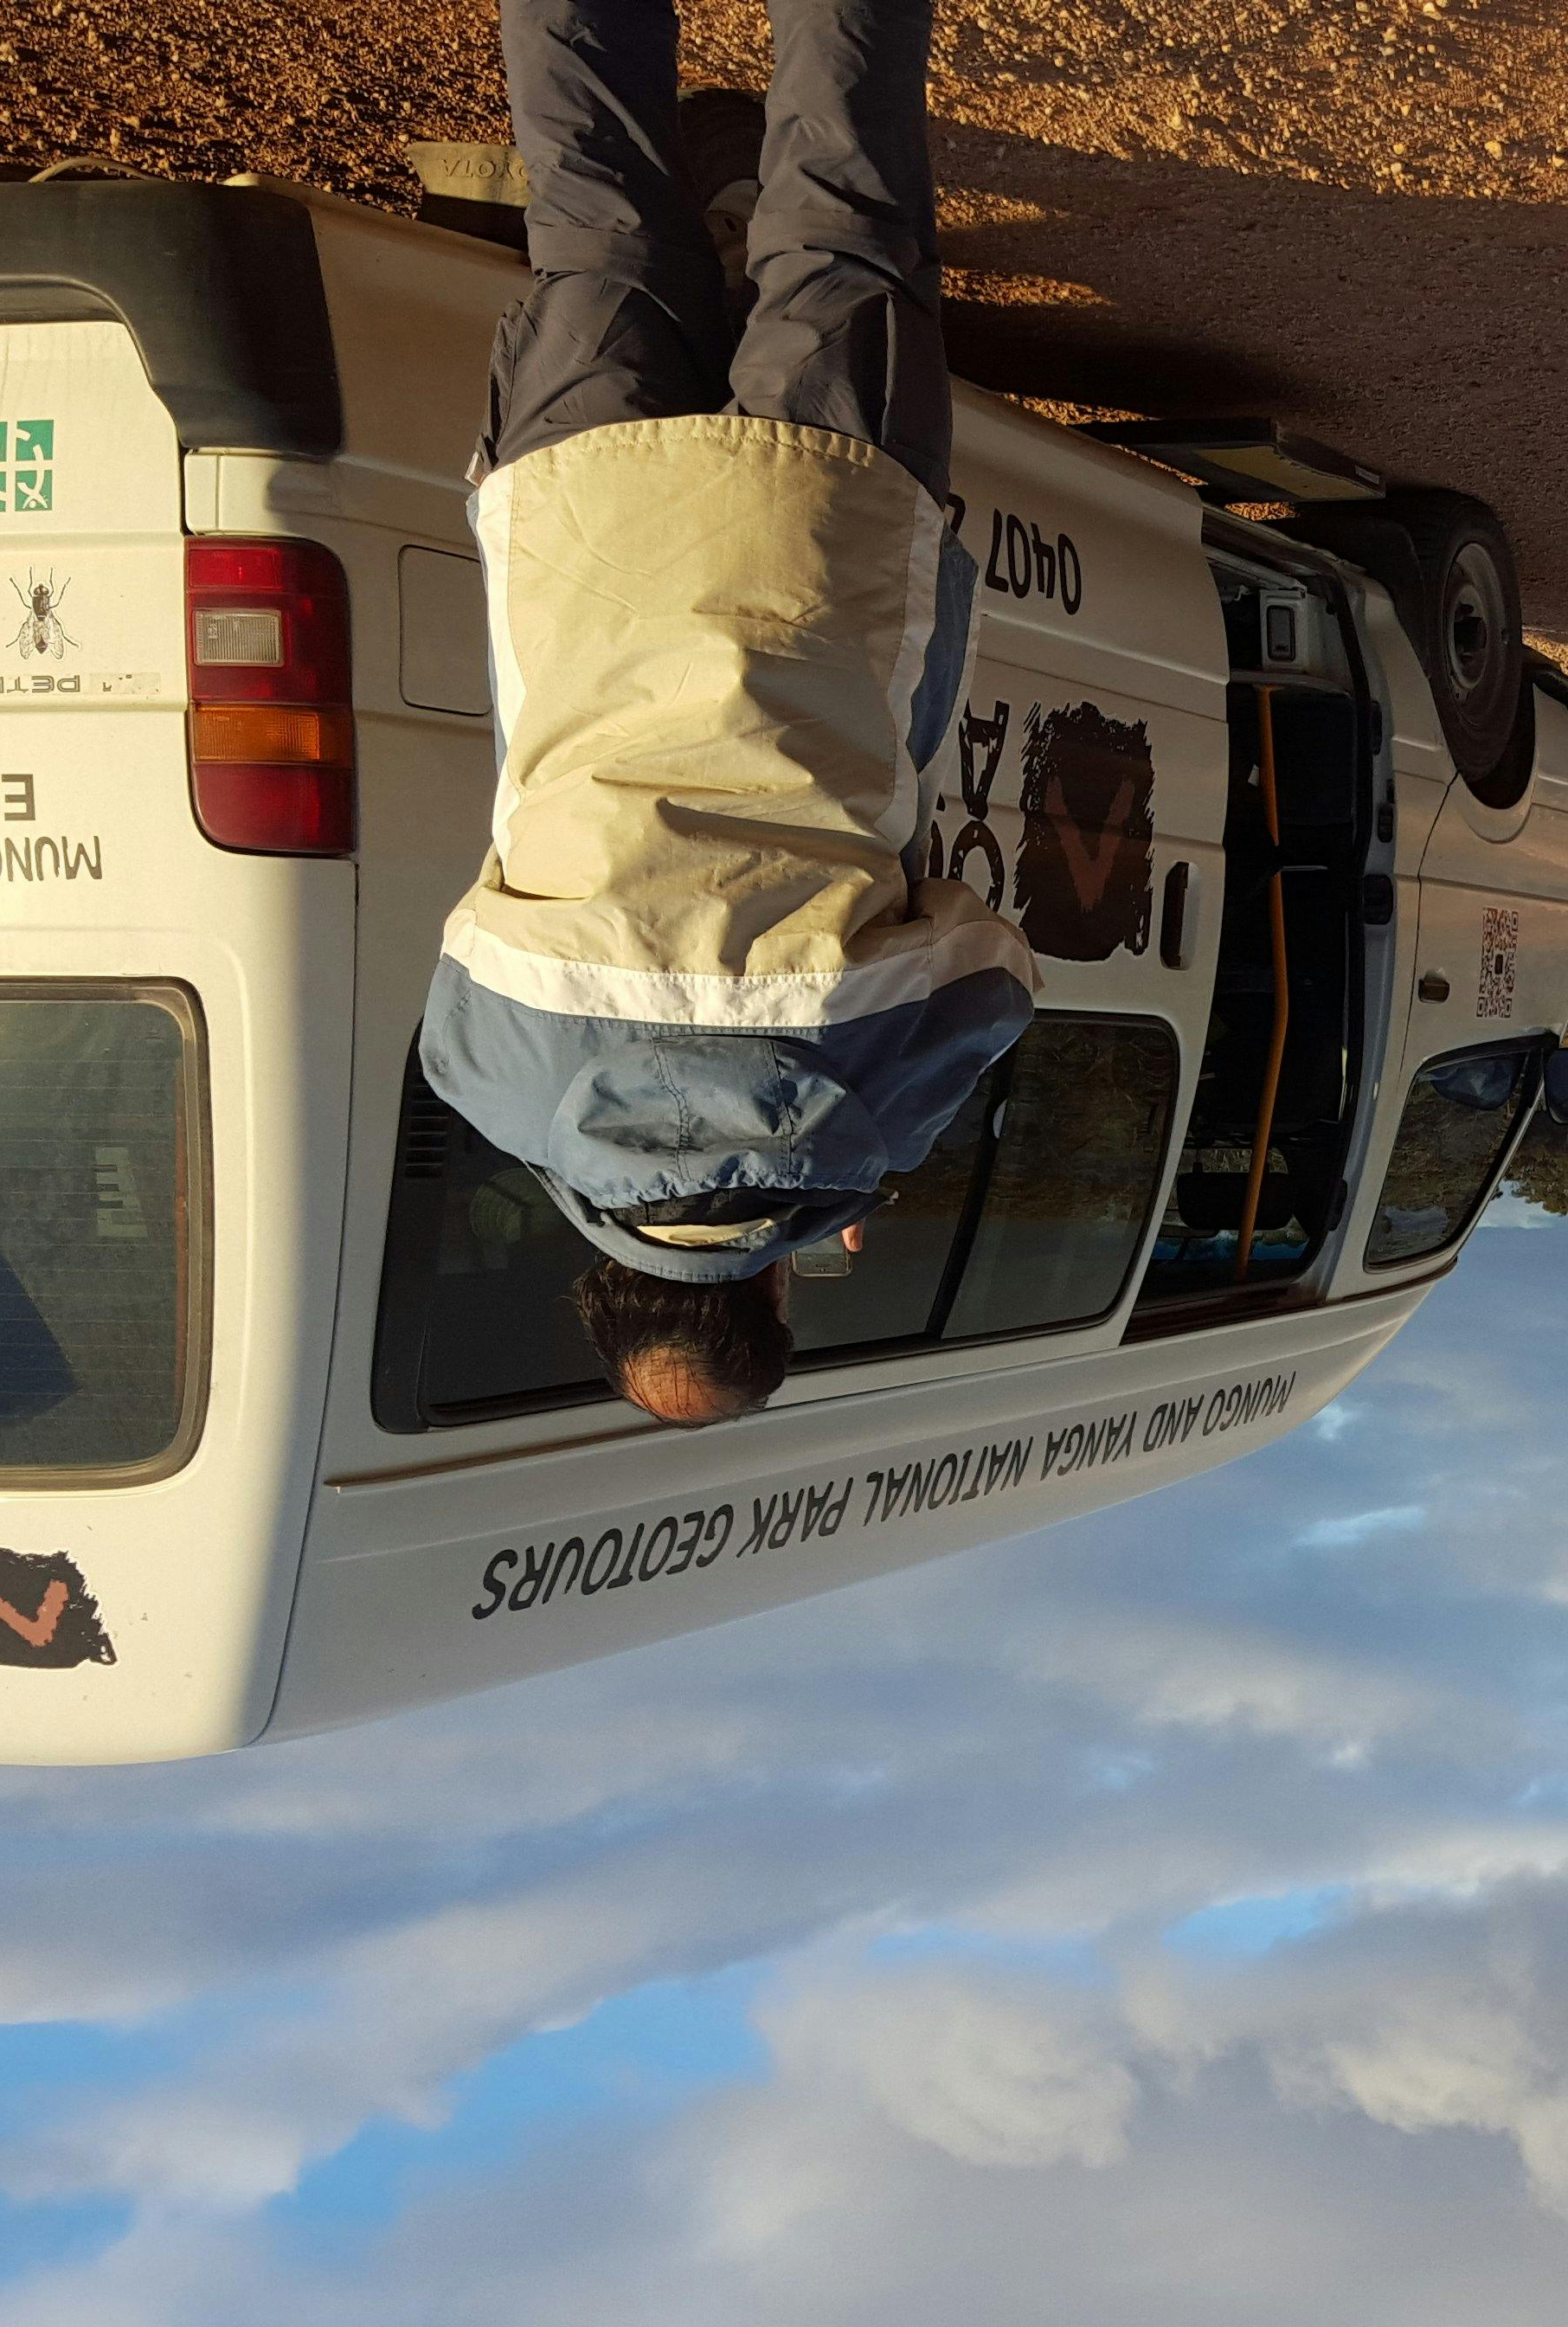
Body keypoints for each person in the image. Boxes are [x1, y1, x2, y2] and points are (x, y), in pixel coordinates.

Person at [418, 0, 1035, 1427]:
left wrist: (831, 1190)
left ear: (774, 1295)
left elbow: (991, 956)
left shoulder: (874, 1118)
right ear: (599, 1289)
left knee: (843, 215)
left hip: (823, 544)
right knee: (593, 215)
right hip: (584, 531)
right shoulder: (487, 1074)